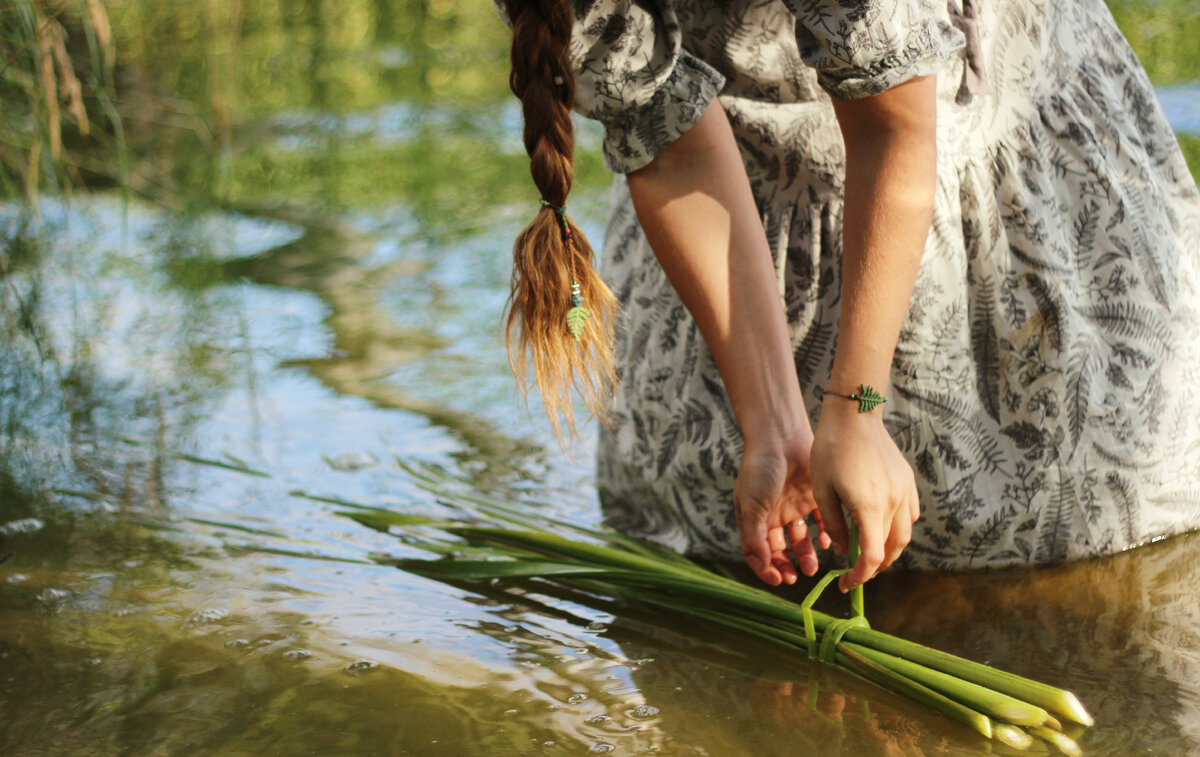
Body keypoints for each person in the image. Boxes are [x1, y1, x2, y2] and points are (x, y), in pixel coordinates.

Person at [495, 0, 1200, 592]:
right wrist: (770, 426)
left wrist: (856, 409)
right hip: (732, 200)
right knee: (718, 553)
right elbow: (669, 141)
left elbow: (893, 122)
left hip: (962, 124)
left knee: (1082, 570)